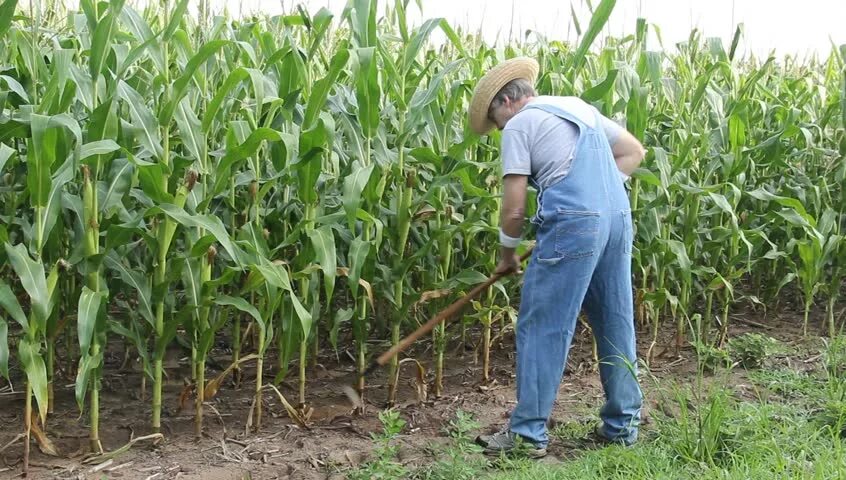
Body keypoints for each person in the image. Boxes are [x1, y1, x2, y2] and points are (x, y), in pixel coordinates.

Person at [468, 57, 646, 458]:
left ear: (505, 103)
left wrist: (506, 254)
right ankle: (623, 425)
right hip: (617, 218)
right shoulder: (577, 106)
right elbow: (633, 152)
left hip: (574, 224)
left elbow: (514, 208)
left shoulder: (519, 124)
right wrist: (595, 202)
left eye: (495, 120)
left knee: (543, 324)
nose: (498, 129)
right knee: (615, 320)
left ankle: (527, 435)